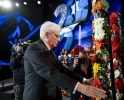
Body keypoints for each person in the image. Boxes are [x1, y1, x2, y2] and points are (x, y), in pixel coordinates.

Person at [23, 21, 107, 100]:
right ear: (47, 35)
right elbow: (49, 72)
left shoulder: (50, 52)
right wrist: (81, 87)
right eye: (56, 36)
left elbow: (63, 70)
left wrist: (84, 80)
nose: (59, 40)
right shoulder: (33, 49)